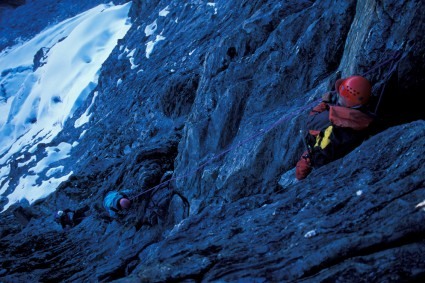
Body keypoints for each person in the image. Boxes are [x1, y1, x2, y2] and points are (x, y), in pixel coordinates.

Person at [295, 75, 376, 180]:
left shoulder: (333, 117)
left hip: (322, 158)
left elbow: (310, 122)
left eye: (340, 95)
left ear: (346, 100)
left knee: (301, 170)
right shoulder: (364, 117)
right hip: (342, 153)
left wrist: (324, 103)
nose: (338, 95)